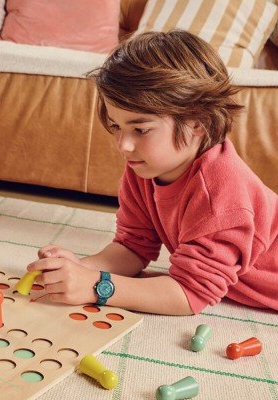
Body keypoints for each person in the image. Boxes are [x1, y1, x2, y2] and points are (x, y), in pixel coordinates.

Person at [26, 30, 278, 315]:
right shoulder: (145, 169)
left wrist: (97, 286)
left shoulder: (219, 193)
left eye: (141, 129)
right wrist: (80, 268)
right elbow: (133, 248)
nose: (123, 145)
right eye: (116, 126)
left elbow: (189, 295)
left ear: (198, 122)